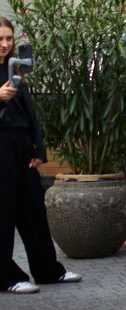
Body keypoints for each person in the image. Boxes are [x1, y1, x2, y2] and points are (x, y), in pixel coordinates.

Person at [0, 18, 82, 293]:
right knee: (4, 212)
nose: (5, 44)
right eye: (0, 39)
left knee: (33, 209)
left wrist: (38, 149)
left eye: (8, 38)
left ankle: (47, 270)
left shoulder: (15, 69)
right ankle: (7, 277)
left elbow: (30, 113)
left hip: (22, 145)